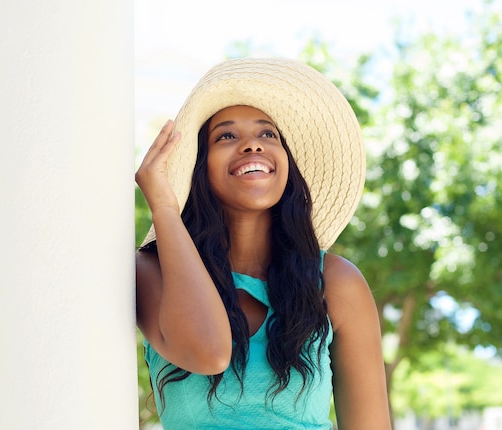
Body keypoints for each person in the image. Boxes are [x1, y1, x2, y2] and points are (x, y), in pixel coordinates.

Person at [135, 58, 391, 429]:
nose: (253, 145)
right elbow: (209, 353)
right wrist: (164, 208)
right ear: (197, 166)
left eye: (268, 134)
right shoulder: (150, 271)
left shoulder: (336, 282)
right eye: (226, 136)